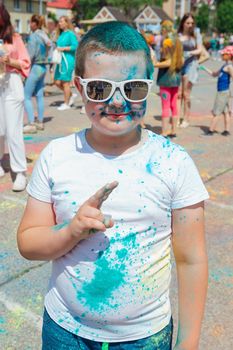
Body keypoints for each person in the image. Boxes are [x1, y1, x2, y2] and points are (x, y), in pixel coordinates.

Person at [17, 21, 209, 350]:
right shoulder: (57, 157)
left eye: (132, 88)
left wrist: (188, 341)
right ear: (79, 87)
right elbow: (28, 242)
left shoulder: (173, 163)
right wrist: (70, 231)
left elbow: (191, 259)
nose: (117, 102)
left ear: (149, 86)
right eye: (100, 89)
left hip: (145, 337)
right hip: (65, 330)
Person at [0, 3, 30, 191]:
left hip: (11, 81)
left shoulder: (15, 37)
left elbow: (25, 62)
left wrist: (10, 61)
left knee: (13, 130)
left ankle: (20, 172)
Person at [154, 20, 183, 138]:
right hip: (175, 78)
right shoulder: (177, 41)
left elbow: (168, 61)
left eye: (162, 28)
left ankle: (165, 131)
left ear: (165, 28)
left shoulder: (167, 41)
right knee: (173, 105)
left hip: (166, 79)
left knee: (165, 106)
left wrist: (155, 64)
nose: (161, 30)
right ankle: (174, 130)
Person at [23, 14, 51, 134]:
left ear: (35, 23)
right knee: (39, 96)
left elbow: (30, 55)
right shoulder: (44, 35)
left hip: (35, 67)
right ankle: (40, 121)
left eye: (30, 22)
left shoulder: (33, 36)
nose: (29, 24)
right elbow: (50, 47)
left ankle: (31, 123)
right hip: (43, 67)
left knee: (26, 96)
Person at [201, 46, 233, 136]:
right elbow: (214, 74)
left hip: (223, 92)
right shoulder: (224, 66)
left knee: (216, 112)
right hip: (223, 92)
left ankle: (210, 131)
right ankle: (226, 130)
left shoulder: (229, 67)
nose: (222, 55)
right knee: (225, 111)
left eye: (224, 54)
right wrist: (204, 69)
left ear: (229, 55)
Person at [178, 13, 203, 128]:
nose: (190, 25)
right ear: (183, 23)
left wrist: (188, 53)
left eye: (192, 23)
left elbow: (199, 50)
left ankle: (186, 118)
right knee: (178, 94)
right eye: (188, 23)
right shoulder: (177, 35)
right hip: (178, 66)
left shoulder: (196, 34)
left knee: (186, 94)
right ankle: (177, 117)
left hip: (191, 65)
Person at [54, 16, 78, 111]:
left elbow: (75, 46)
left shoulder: (70, 34)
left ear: (67, 23)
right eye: (59, 22)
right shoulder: (61, 34)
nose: (59, 23)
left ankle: (66, 103)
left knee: (65, 83)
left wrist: (64, 48)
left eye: (61, 21)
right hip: (60, 60)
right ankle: (71, 95)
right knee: (57, 81)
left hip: (68, 60)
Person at [47, 17, 58, 86]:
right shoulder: (51, 33)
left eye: (49, 24)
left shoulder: (55, 33)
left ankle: (54, 80)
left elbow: (55, 42)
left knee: (52, 67)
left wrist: (50, 42)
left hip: (54, 53)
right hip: (51, 53)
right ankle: (53, 80)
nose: (48, 26)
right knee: (51, 67)